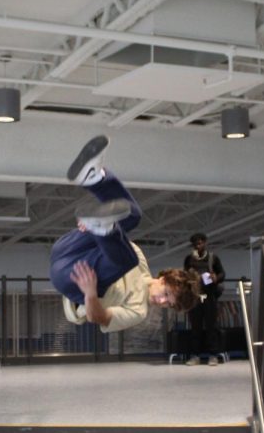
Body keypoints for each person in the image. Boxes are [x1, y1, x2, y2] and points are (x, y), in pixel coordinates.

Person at [49, 136, 201, 333]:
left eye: (167, 304)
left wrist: (90, 294)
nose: (161, 301)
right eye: (166, 294)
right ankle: (94, 178)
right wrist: (90, 232)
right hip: (69, 248)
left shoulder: (138, 311)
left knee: (126, 258)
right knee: (132, 216)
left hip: (72, 279)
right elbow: (112, 244)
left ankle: (101, 227)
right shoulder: (140, 261)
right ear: (163, 279)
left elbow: (99, 317)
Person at [183, 232, 225, 366]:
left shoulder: (213, 258)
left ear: (205, 243)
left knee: (211, 326)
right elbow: (185, 275)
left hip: (209, 296)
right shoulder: (189, 259)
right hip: (195, 297)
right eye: (195, 244)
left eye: (200, 243)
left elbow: (222, 273)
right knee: (195, 327)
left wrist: (215, 278)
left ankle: (213, 355)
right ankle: (195, 356)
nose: (198, 245)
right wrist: (189, 278)